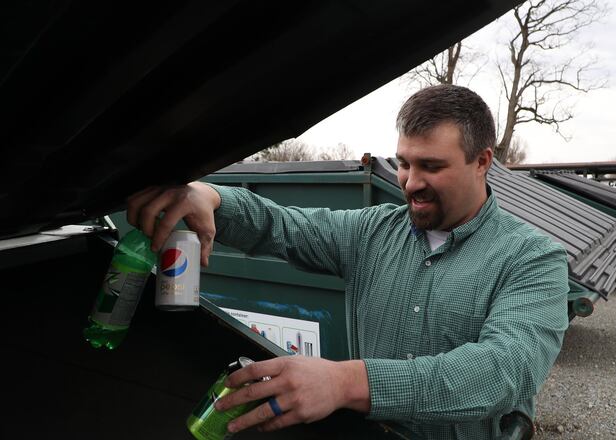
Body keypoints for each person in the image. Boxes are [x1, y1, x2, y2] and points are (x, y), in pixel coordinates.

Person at [127, 84, 569, 439]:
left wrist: (344, 382)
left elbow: (501, 372)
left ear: (482, 162)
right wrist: (210, 196)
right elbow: (279, 226)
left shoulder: (532, 259)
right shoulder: (373, 232)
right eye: (403, 163)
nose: (410, 183)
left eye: (432, 166)